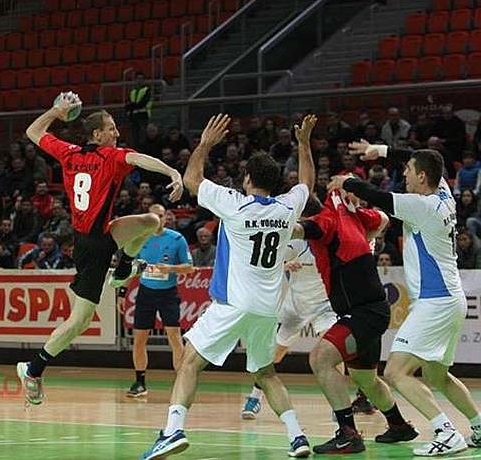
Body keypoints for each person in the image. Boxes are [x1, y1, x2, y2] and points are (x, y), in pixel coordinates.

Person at [141, 113, 317, 460]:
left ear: (247, 179)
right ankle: (297, 437)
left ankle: (173, 431)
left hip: (233, 303)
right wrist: (303, 144)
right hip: (267, 309)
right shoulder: (287, 207)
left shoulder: (235, 205)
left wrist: (205, 144)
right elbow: (307, 183)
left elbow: (192, 180)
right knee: (265, 373)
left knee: (189, 362)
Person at [17, 92, 184, 406]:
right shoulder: (111, 157)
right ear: (97, 134)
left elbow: (33, 131)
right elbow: (141, 159)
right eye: (111, 128)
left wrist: (55, 111)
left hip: (102, 233)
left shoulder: (69, 153)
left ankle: (124, 266)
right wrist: (173, 172)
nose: (117, 132)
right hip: (91, 248)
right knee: (79, 322)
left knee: (151, 220)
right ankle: (33, 369)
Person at [336, 140, 481, 456]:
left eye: (409, 171)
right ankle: (479, 426)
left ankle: (446, 432)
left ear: (422, 177)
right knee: (436, 375)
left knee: (395, 372)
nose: (405, 173)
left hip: (435, 301)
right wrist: (381, 151)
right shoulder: (443, 193)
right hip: (450, 299)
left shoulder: (421, 206)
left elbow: (375, 196)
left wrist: (345, 182)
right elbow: (420, 157)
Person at [292, 184, 418, 454]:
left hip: (362, 314)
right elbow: (383, 218)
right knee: (366, 379)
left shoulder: (324, 222)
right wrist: (363, 230)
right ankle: (399, 425)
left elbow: (297, 230)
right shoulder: (350, 216)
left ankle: (347, 433)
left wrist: (268, 221)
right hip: (373, 310)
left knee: (320, 358)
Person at [241, 202, 338, 420]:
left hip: (324, 306)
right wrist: (283, 266)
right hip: (295, 307)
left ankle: (338, 406)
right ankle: (255, 396)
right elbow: (265, 263)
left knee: (333, 351)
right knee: (274, 354)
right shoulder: (297, 243)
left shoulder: (331, 241)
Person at [120, 203, 194, 398]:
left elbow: (189, 267)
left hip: (168, 294)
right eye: (154, 216)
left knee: (174, 337)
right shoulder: (140, 238)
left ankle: (181, 383)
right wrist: (122, 292)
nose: (158, 220)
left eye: (161, 216)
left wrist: (171, 269)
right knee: (139, 339)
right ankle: (140, 382)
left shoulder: (177, 239)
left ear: (166, 218)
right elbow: (131, 267)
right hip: (146, 293)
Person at [126, 72, 153, 147]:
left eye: (141, 79)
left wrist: (133, 105)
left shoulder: (147, 89)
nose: (139, 80)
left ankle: (143, 149)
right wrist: (133, 106)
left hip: (143, 114)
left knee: (142, 135)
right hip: (133, 115)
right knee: (134, 136)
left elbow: (144, 103)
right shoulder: (132, 91)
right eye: (138, 79)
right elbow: (128, 103)